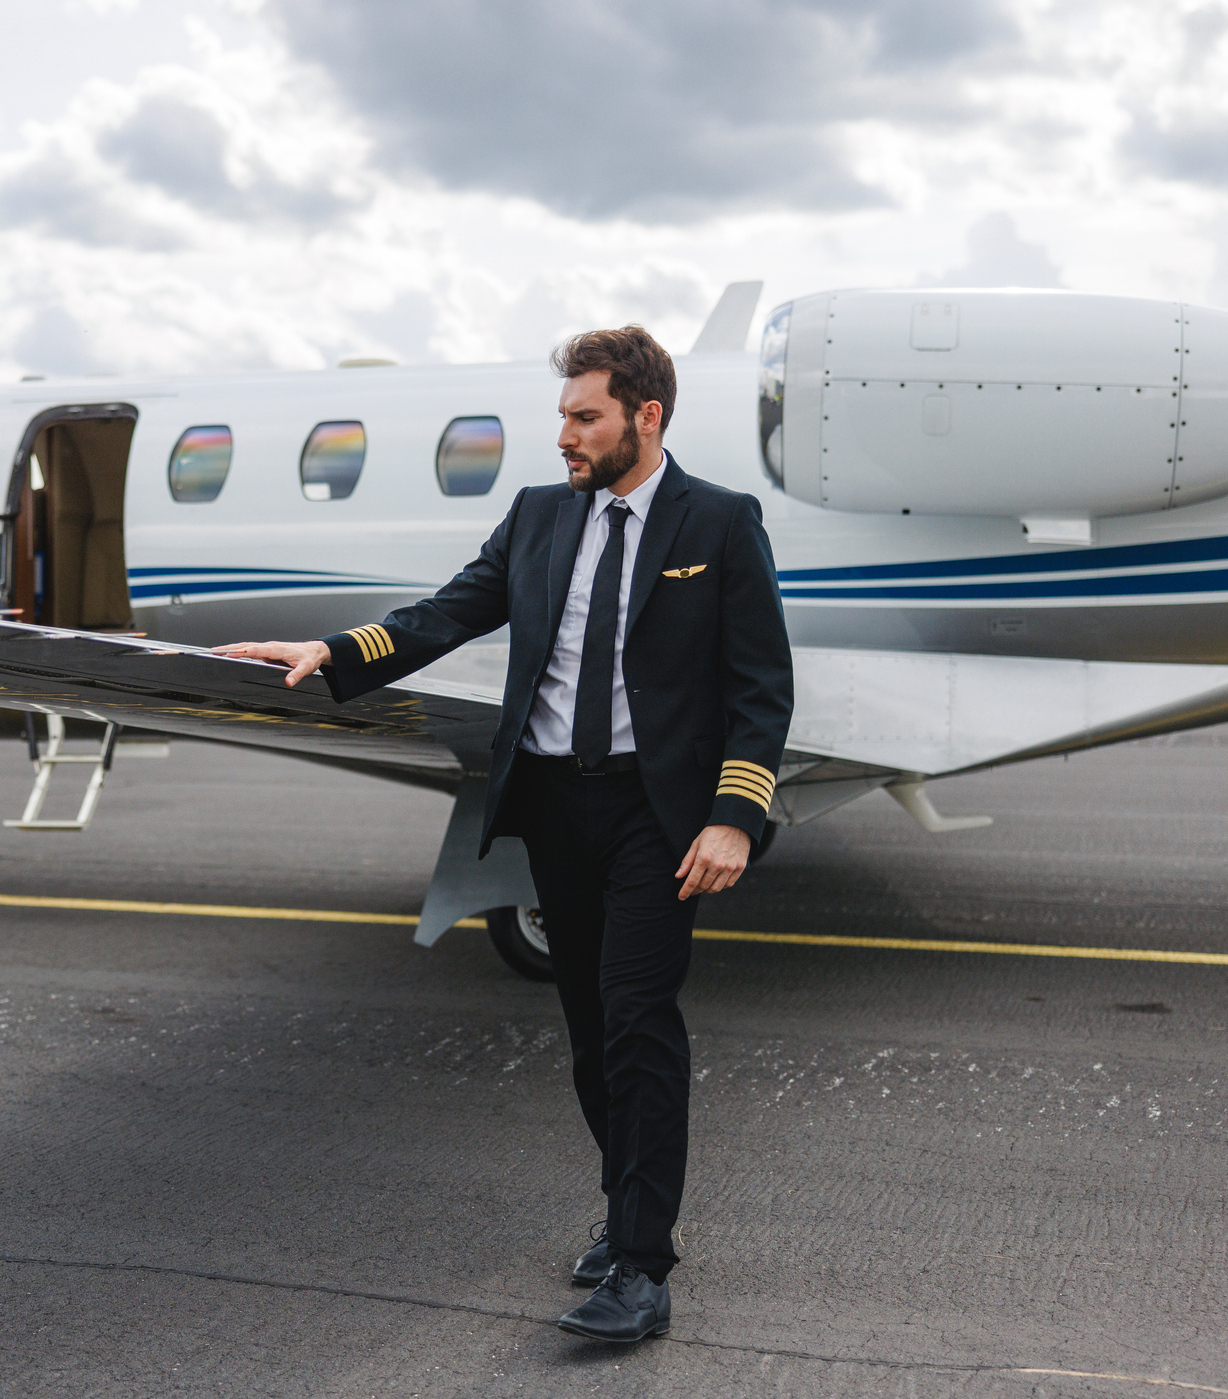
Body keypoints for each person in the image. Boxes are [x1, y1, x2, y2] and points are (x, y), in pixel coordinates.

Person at [213, 326, 794, 1343]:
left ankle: (642, 1270)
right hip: (555, 810)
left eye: (584, 417)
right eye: (562, 415)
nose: (562, 435)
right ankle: (625, 1216)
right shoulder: (535, 517)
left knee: (636, 1023)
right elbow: (448, 613)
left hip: (656, 818)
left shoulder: (719, 522)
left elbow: (759, 689)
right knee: (585, 1034)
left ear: (643, 418)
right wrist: (332, 650)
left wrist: (733, 817)